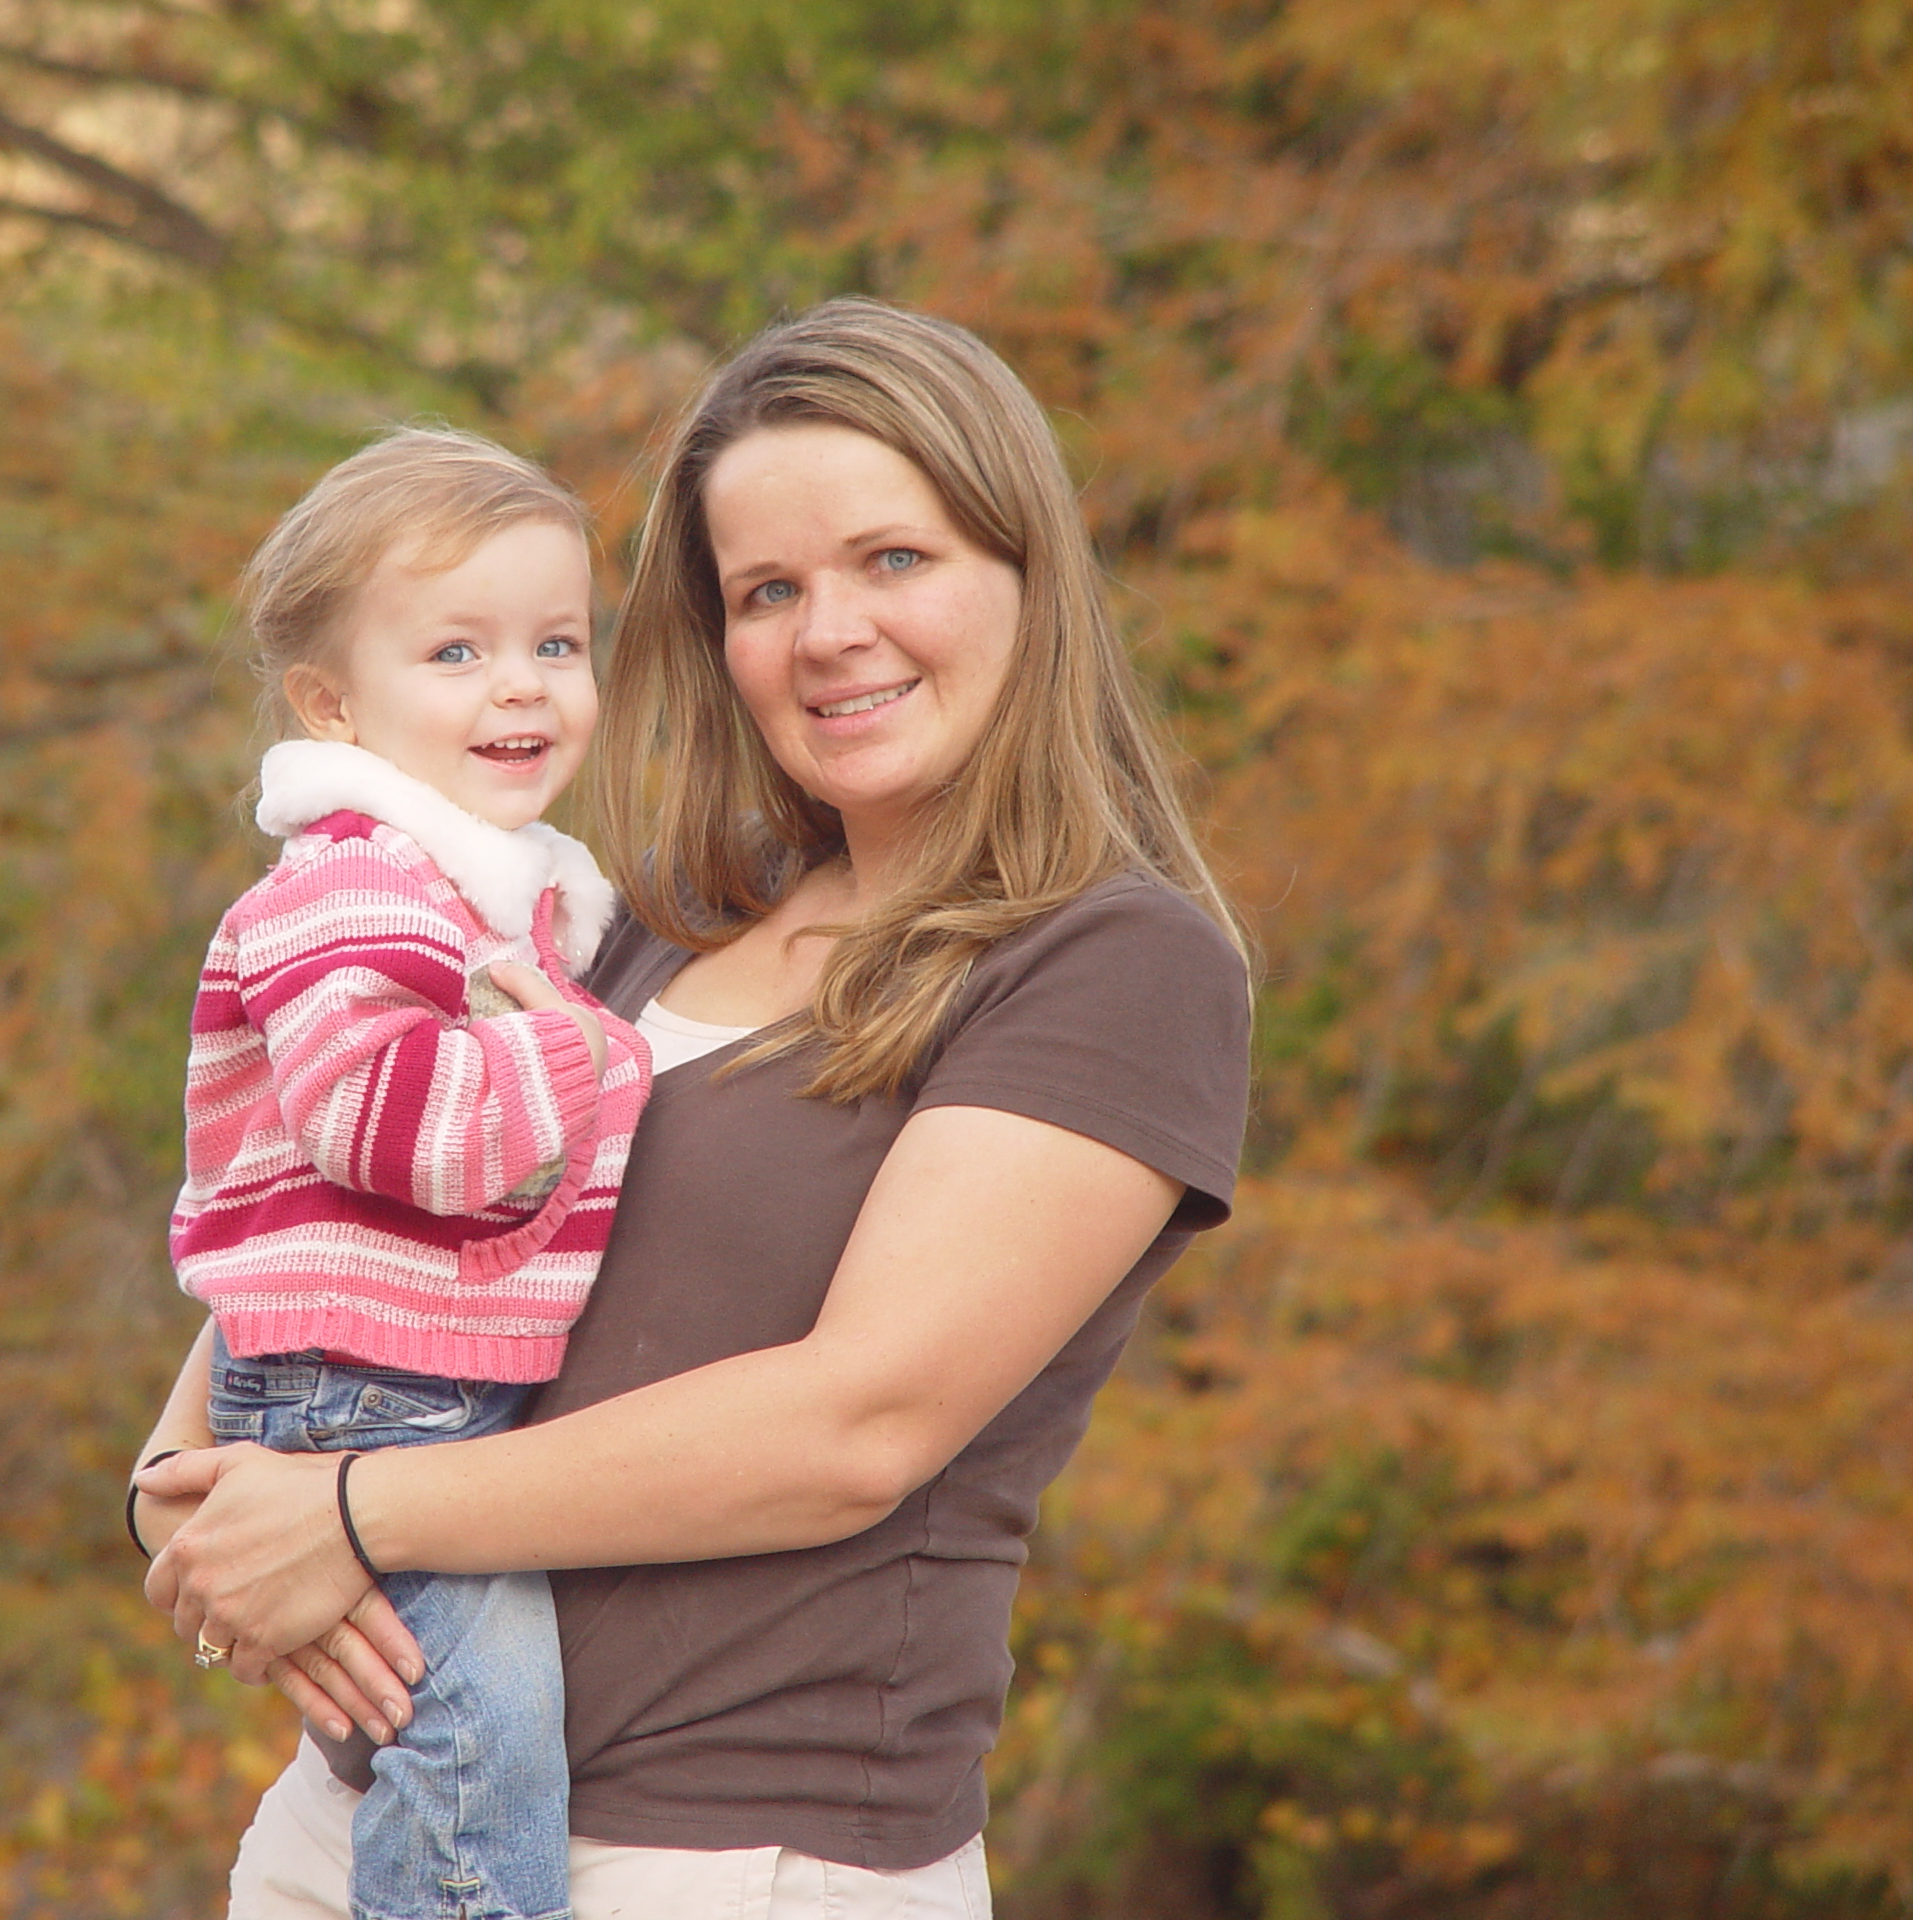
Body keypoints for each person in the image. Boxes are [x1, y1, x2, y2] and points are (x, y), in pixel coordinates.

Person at [133, 299, 1253, 1919]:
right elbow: (348, 1211)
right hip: (367, 1825)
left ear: (1028, 573)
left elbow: (854, 1428)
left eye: (895, 561)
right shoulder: (655, 920)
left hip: (743, 1859)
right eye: (769, 591)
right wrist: (184, 1490)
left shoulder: (1110, 964)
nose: (829, 633)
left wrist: (351, 1515)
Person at [128, 426, 652, 1920]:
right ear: (333, 707)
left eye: (558, 640)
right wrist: (579, 1054)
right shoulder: (351, 883)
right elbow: (380, 1118)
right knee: (477, 1747)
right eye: (457, 650)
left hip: (410, 1387)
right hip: (367, 1395)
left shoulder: (501, 889)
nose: (522, 684)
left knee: (446, 1731)